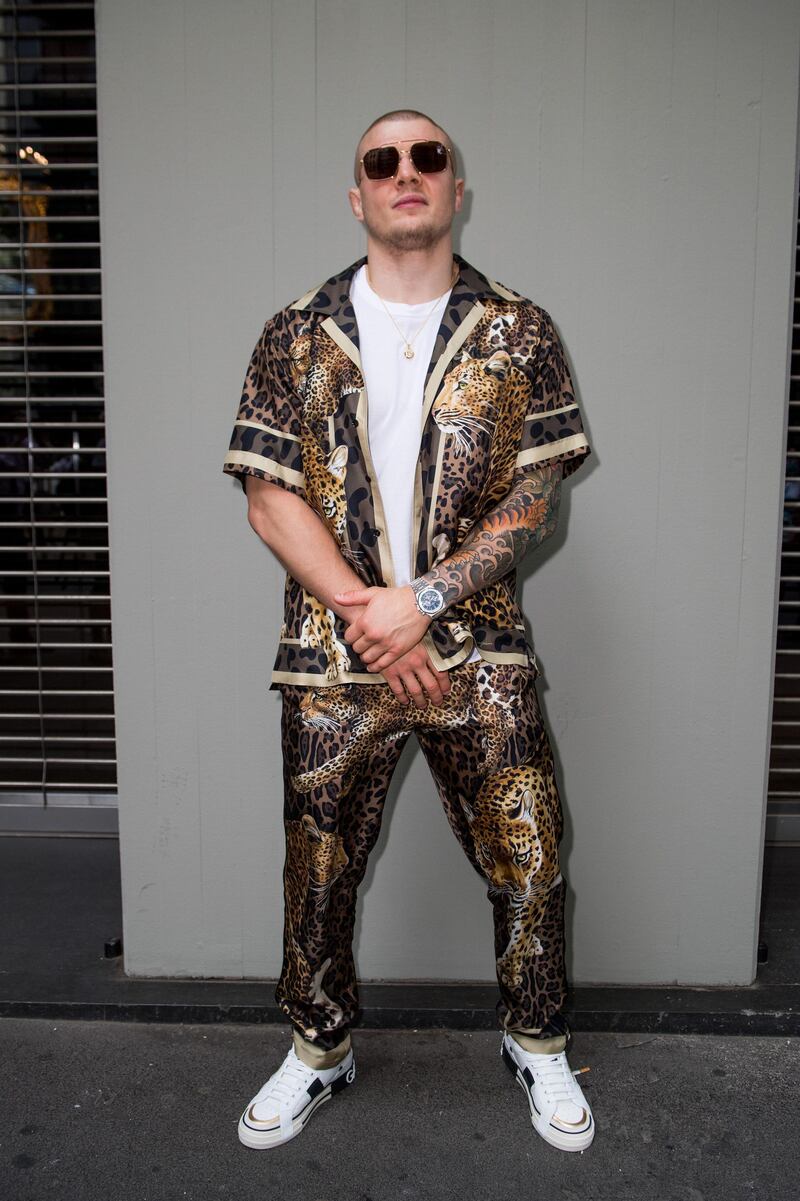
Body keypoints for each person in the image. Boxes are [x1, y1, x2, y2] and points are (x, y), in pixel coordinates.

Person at [224, 109, 593, 1154]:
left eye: (425, 157)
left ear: (454, 186)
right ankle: (316, 1048)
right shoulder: (294, 332)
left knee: (527, 851)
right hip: (330, 659)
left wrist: (422, 601)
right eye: (379, 162)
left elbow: (537, 496)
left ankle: (536, 1039)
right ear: (356, 195)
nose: (404, 174)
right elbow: (267, 495)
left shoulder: (518, 330)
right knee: (318, 866)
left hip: (477, 648)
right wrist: (368, 612)